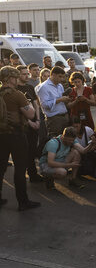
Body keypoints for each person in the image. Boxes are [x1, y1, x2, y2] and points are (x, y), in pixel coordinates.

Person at [0, 66, 40, 211]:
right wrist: (29, 104)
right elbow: (30, 115)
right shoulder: (17, 95)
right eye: (15, 77)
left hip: (1, 135)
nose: (17, 80)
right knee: (20, 168)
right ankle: (23, 202)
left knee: (0, 168)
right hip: (16, 135)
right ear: (10, 78)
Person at [16, 65, 43, 183]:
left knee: (32, 150)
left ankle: (33, 174)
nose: (27, 76)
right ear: (17, 75)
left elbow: (36, 104)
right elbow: (18, 110)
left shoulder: (30, 87)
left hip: (34, 124)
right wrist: (30, 123)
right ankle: (29, 174)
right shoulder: (16, 89)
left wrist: (37, 120)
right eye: (24, 74)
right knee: (24, 152)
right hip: (23, 126)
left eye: (27, 73)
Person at [35, 66, 71, 138]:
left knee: (66, 141)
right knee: (56, 142)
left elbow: (62, 100)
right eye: (60, 76)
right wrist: (60, 100)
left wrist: (66, 99)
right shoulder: (44, 87)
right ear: (53, 75)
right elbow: (44, 105)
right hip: (54, 119)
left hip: (64, 116)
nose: (62, 79)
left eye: (63, 77)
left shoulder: (60, 85)